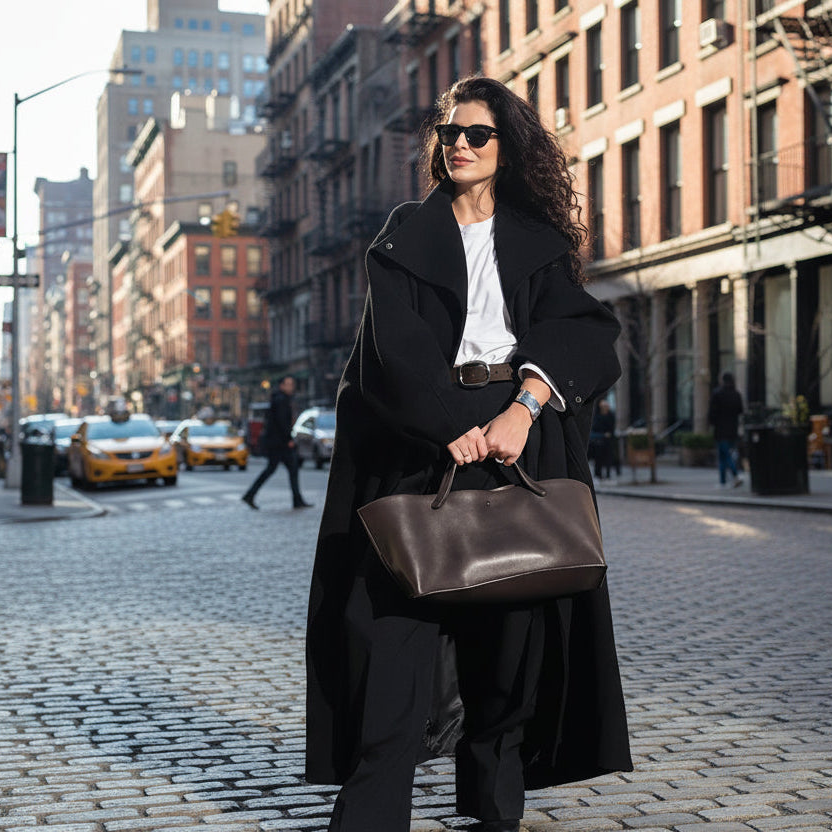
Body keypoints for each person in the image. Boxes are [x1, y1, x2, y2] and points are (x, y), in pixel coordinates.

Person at [305, 77, 632, 832]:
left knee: (506, 680)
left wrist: (523, 408)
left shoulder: (540, 243)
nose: (457, 142)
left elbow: (581, 333)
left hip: (519, 449)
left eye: (476, 134)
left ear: (506, 149)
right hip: (421, 456)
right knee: (391, 668)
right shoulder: (403, 235)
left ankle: (494, 820)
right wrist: (446, 421)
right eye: (449, 131)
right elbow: (394, 349)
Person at [241, 375, 311, 509]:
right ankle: (296, 500)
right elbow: (281, 423)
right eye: (288, 384)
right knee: (283, 469)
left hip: (277, 442)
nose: (291, 387)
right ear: (282, 386)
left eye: (292, 384)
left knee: (285, 469)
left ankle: (250, 495)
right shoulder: (281, 400)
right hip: (280, 443)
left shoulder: (280, 399)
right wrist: (288, 439)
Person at [708, 371, 744, 487]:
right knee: (726, 454)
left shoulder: (717, 394)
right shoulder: (736, 394)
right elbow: (740, 410)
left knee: (724, 455)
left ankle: (734, 475)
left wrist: (712, 423)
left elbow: (712, 412)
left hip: (721, 429)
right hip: (732, 428)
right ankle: (723, 481)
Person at [589, 399, 619, 479]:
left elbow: (612, 427)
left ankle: (608, 474)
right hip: (598, 441)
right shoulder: (597, 416)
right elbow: (594, 427)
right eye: (603, 406)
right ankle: (598, 474)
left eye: (606, 406)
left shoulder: (611, 416)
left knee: (609, 457)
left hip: (609, 440)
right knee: (598, 458)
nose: (605, 408)